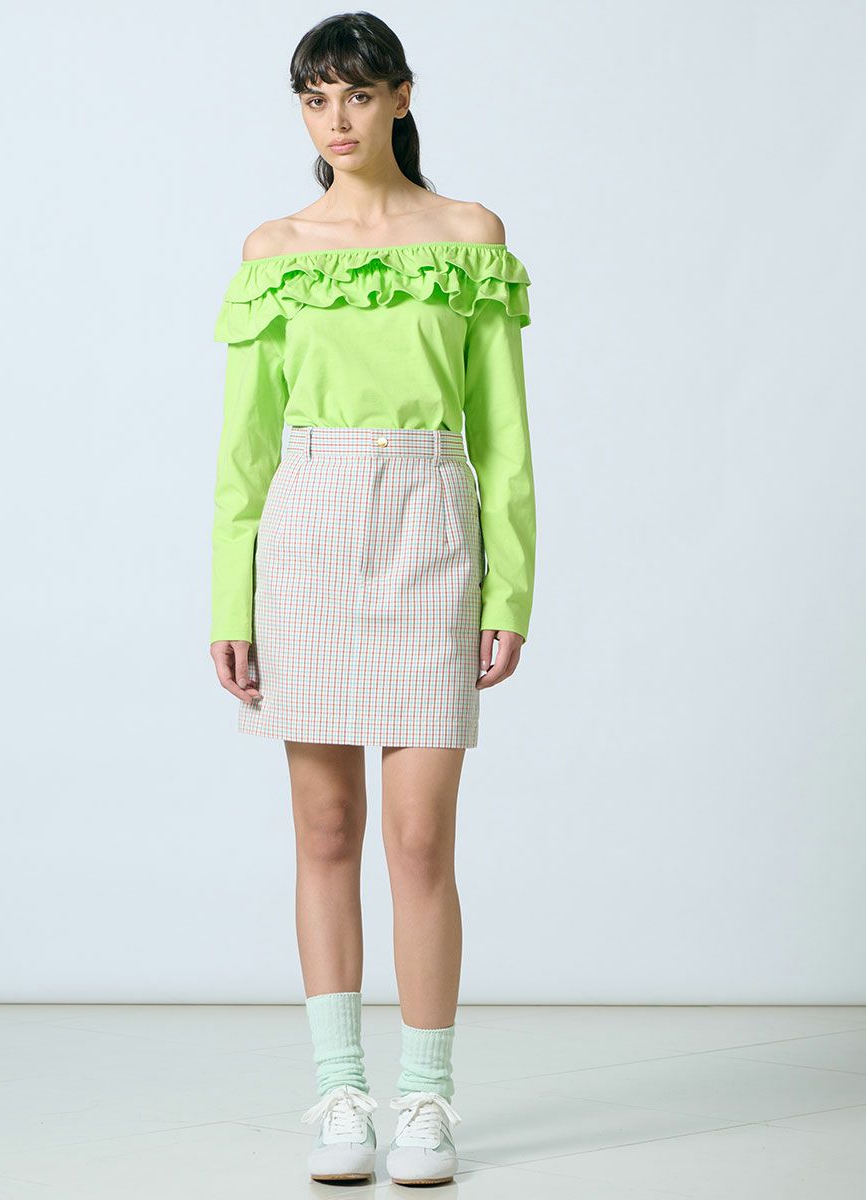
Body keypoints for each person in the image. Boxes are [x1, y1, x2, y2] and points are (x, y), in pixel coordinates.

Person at [208, 11, 536, 1187]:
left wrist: (511, 584)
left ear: (401, 95)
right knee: (326, 829)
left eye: (354, 94)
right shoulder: (274, 248)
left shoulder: (468, 236)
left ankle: (426, 1101)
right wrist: (229, 601)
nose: (334, 120)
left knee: (418, 834)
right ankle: (340, 1095)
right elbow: (244, 448)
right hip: (305, 532)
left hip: (431, 527)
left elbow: (502, 437)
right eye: (313, 99)